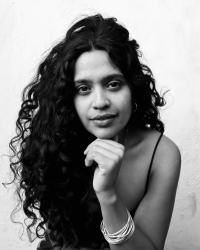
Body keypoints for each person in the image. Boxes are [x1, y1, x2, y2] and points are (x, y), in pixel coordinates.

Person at [9, 14, 181, 250]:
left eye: (113, 84)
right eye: (83, 88)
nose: (100, 102)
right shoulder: (57, 141)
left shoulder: (161, 154)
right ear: (69, 99)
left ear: (133, 88)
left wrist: (107, 194)